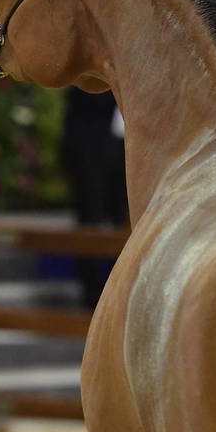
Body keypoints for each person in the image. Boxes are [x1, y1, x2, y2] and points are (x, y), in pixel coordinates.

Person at [61, 88, 127, 308]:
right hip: (91, 150)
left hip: (121, 150)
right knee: (90, 219)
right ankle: (91, 293)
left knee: (124, 222)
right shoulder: (92, 72)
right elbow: (88, 97)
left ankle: (121, 289)